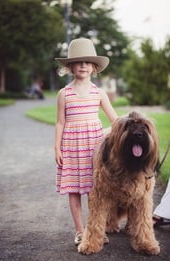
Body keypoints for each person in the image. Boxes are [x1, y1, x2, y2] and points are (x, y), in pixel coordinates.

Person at [54, 38, 118, 245]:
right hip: (71, 147)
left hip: (94, 147)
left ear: (94, 67)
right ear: (70, 66)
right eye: (79, 62)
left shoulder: (99, 93)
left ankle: (95, 229)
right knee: (74, 189)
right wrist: (57, 148)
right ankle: (80, 231)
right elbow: (59, 123)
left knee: (95, 190)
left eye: (87, 62)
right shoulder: (64, 94)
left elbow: (115, 120)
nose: (83, 65)